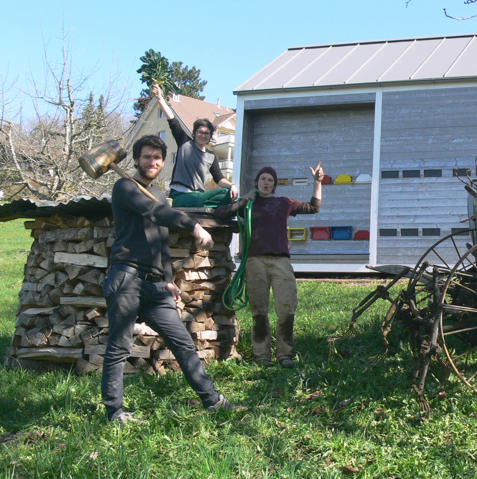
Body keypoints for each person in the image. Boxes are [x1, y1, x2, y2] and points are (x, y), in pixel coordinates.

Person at [102, 135, 242, 425]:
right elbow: (155, 213)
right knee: (119, 347)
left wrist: (167, 279)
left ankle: (213, 401)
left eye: (157, 157)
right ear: (136, 159)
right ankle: (114, 413)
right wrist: (192, 224)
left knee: (182, 343)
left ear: (163, 163)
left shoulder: (157, 195)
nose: (152, 161)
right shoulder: (126, 187)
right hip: (126, 278)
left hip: (155, 286)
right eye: (146, 156)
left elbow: (161, 241)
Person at [213, 164, 323, 368]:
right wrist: (240, 203)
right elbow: (219, 214)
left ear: (274, 185)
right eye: (263, 179)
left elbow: (313, 207)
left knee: (287, 309)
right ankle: (262, 356)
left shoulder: (284, 203)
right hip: (255, 261)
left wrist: (317, 182)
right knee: (259, 311)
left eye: (270, 180)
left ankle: (285, 355)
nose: (266, 182)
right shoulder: (248, 203)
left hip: (281, 260)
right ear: (256, 182)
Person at [152, 84, 239, 208]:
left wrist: (232, 186)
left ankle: (206, 206)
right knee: (196, 203)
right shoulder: (184, 143)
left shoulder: (210, 156)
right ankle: (205, 207)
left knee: (229, 195)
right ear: (194, 133)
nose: (203, 135)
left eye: (206, 133)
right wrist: (160, 99)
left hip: (199, 194)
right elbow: (173, 121)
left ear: (210, 136)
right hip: (180, 194)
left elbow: (219, 178)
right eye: (200, 132)